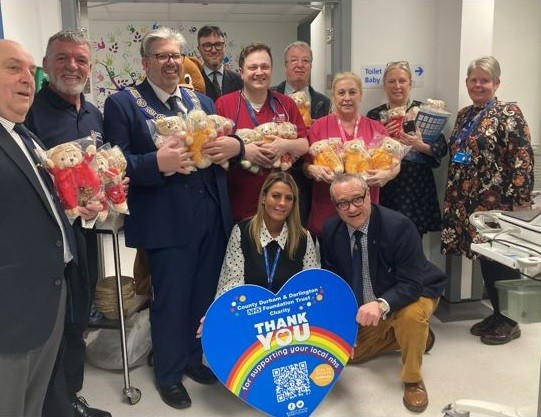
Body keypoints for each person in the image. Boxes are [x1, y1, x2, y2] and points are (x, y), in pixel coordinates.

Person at [103, 27, 243, 410]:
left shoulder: (202, 102)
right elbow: (115, 165)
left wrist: (231, 148)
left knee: (203, 295)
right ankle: (168, 373)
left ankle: (194, 360)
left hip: (211, 214)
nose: (170, 62)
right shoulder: (123, 104)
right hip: (167, 222)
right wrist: (156, 164)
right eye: (162, 56)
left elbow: (223, 150)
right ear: (146, 62)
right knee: (172, 300)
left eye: (175, 55)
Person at [0, 39, 98, 417]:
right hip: (11, 310)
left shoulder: (24, 135)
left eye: (30, 70)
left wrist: (75, 210)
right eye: (13, 68)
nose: (28, 79)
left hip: (48, 296)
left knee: (33, 401)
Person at [25, 29, 111, 417]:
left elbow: (100, 172)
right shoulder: (28, 112)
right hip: (43, 243)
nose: (72, 66)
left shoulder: (94, 114)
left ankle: (70, 398)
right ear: (45, 66)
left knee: (78, 318)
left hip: (85, 237)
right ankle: (47, 403)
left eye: (80, 60)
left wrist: (109, 190)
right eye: (62, 58)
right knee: (49, 325)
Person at [320, 173, 446, 413]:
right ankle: (417, 339)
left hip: (415, 291)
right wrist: (340, 329)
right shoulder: (330, 229)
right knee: (350, 355)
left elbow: (412, 283)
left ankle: (413, 379)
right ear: (335, 206)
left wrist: (381, 305)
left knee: (410, 317)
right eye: (343, 203)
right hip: (368, 301)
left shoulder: (399, 226)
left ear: (369, 195)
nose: (352, 208)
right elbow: (334, 283)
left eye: (357, 199)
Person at [441, 56, 534, 345]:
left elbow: (522, 157)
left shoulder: (509, 113)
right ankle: (497, 312)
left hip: (498, 203)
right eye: (473, 80)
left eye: (485, 80)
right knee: (485, 258)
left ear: (496, 83)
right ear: (467, 83)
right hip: (468, 202)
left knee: (502, 260)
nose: (478, 85)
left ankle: (510, 319)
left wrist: (520, 202)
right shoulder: (465, 114)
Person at [215, 42, 309, 223]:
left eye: (265, 67)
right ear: (241, 73)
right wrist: (244, 150)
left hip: (281, 206)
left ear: (271, 71)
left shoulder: (286, 104)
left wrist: (285, 145)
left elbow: (304, 144)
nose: (259, 72)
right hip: (240, 202)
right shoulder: (224, 104)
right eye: (253, 67)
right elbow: (216, 149)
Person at [303, 71, 399, 237]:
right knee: (330, 262)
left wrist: (387, 175)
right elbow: (304, 165)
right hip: (327, 209)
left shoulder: (376, 128)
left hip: (365, 210)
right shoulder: (318, 126)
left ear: (360, 95)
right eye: (341, 93)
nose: (347, 98)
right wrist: (312, 170)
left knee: (367, 261)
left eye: (352, 92)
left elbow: (395, 163)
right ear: (333, 97)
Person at [366, 61, 447, 236]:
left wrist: (419, 145)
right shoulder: (374, 116)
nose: (397, 86)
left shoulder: (424, 112)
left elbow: (441, 149)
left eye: (402, 81)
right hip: (384, 186)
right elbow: (364, 154)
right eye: (391, 81)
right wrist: (382, 136)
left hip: (415, 187)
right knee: (382, 238)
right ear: (384, 85)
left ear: (410, 83)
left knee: (411, 240)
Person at [216, 171, 319, 298]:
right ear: (264, 197)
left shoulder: (303, 238)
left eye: (289, 198)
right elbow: (230, 285)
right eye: (276, 196)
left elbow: (310, 286)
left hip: (291, 315)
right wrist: (219, 313)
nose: (282, 203)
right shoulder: (242, 231)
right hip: (250, 312)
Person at [272, 41, 331, 226]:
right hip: (275, 173)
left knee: (304, 231)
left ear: (311, 66)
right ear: (286, 65)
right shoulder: (270, 96)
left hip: (310, 179)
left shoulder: (324, 102)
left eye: (305, 60)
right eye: (294, 60)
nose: (300, 65)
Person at [197, 25, 242, 102]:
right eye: (207, 46)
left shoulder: (239, 80)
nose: (214, 50)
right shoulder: (193, 81)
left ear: (224, 47)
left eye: (218, 45)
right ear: (199, 49)